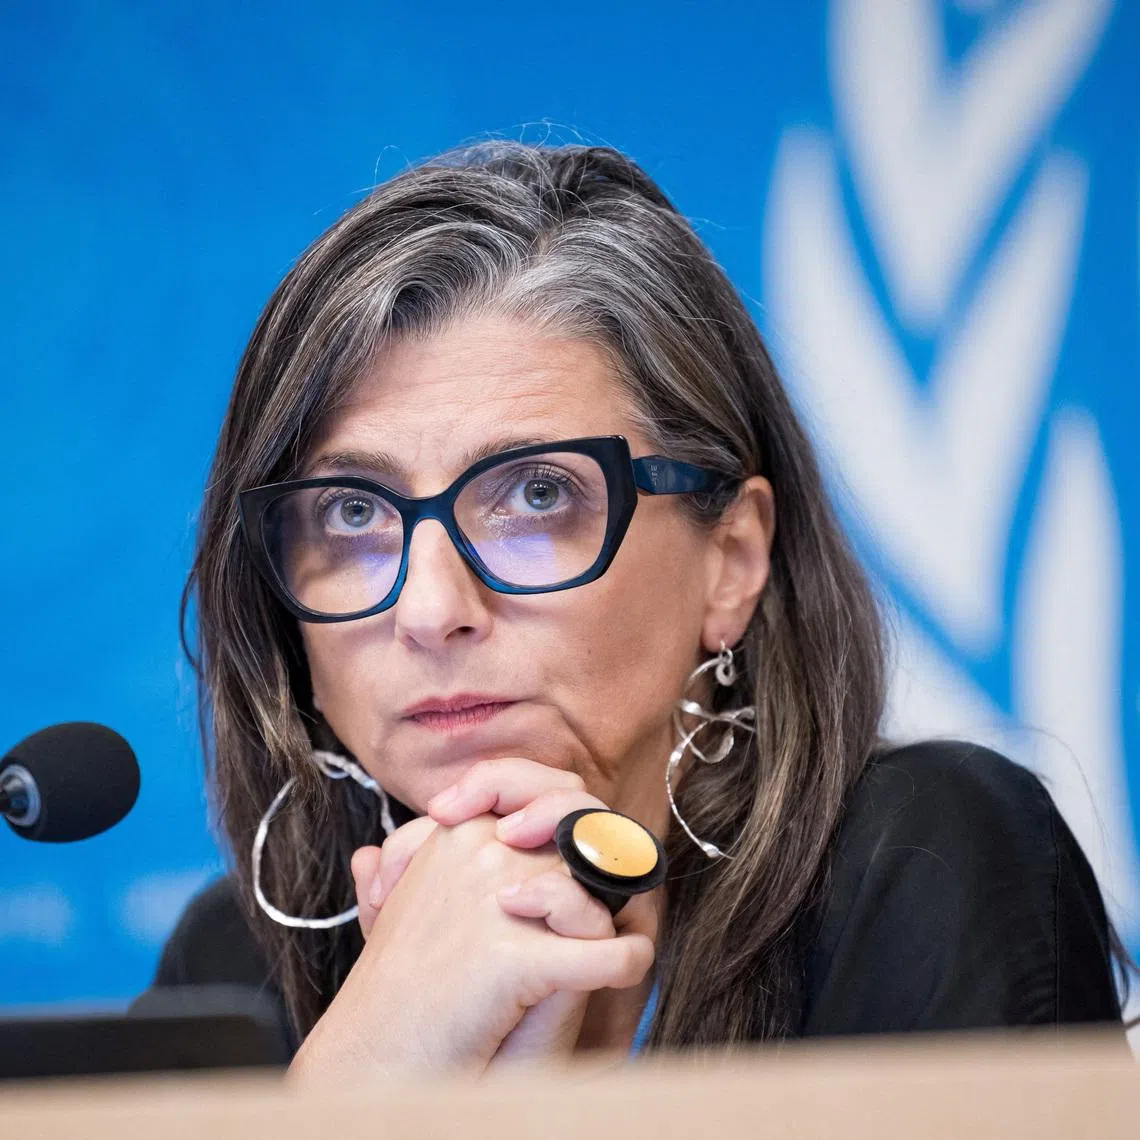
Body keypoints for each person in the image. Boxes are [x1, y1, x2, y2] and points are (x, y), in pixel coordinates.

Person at [148, 142, 1125, 1079]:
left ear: (730, 564)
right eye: (353, 513)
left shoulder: (922, 861)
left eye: (537, 496)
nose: (433, 608)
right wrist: (368, 1063)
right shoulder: (233, 965)